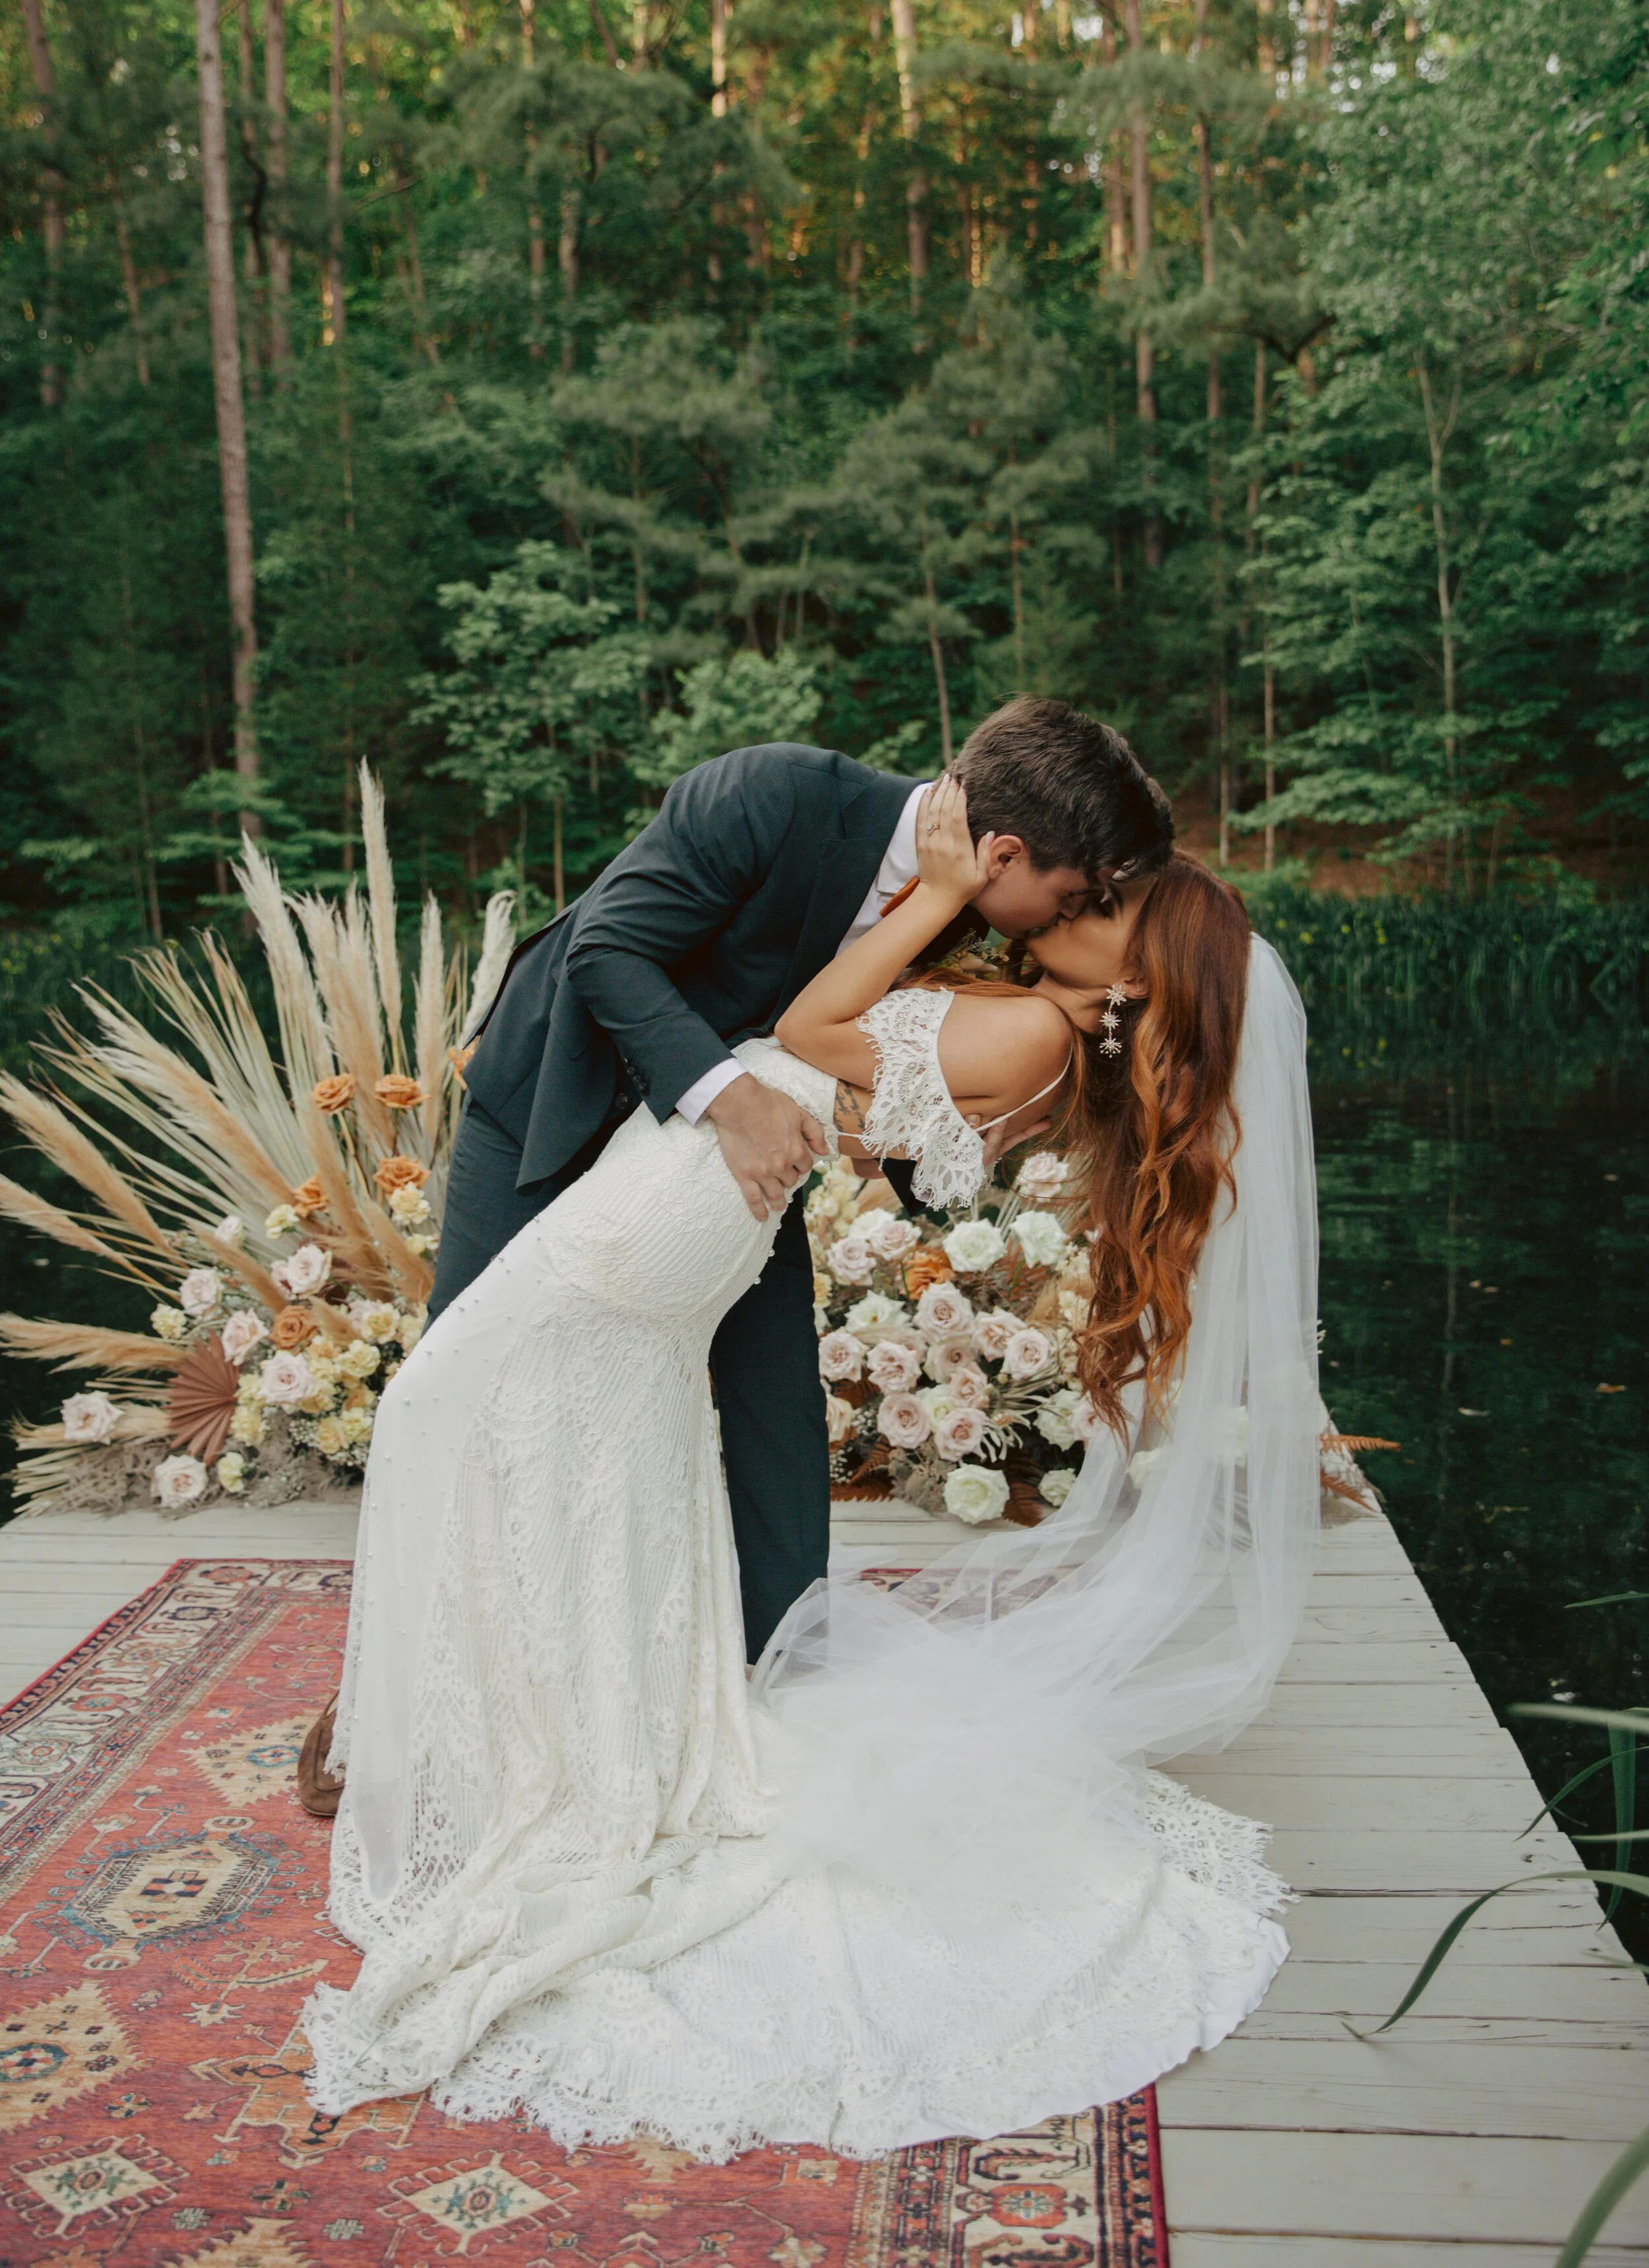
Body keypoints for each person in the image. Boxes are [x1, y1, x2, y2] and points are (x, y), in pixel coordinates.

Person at [303, 787, 1322, 2160]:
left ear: (1140, 973)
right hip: (697, 1186)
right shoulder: (1048, 1034)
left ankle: (538, 1748)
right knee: (602, 1456)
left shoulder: (1027, 1022)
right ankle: (564, 1729)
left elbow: (797, 1035)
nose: (1075, 916)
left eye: (1104, 913)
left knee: (440, 1407)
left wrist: (947, 896)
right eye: (1084, 892)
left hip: (683, 1192)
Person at [431, 696, 1173, 1659]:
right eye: (1071, 896)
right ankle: (397, 1687)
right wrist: (734, 1105)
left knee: (777, 1396)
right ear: (1003, 855)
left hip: (722, 1172)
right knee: (457, 1381)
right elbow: (604, 950)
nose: (1068, 919)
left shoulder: (971, 921)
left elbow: (899, 1077)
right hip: (555, 1096)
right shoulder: (773, 792)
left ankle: (782, 1661)